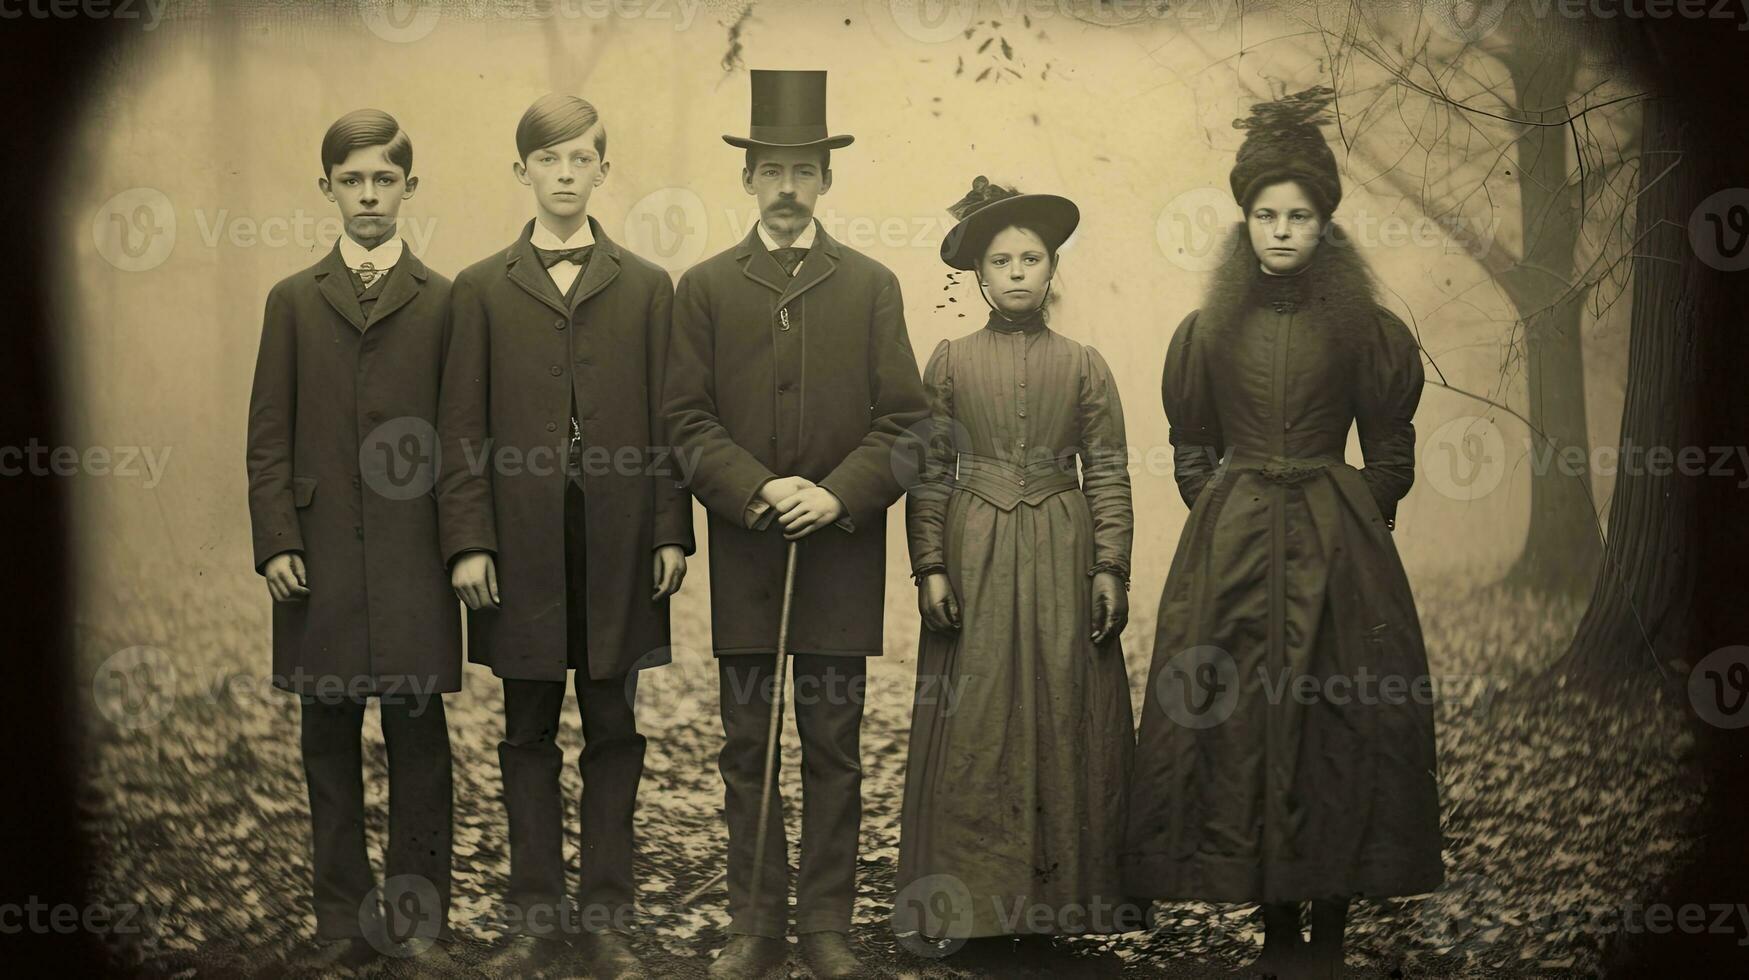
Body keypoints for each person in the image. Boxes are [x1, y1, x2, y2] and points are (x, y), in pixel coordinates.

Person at [1124, 89, 1444, 979]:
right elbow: (1192, 442)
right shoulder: (1208, 331)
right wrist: (1216, 501)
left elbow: (1389, 443)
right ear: (1243, 223)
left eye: (1297, 216)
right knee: (1245, 721)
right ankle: (1275, 932)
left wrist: (1358, 514)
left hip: (1337, 548)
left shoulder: (1364, 331)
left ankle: (1332, 930)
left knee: (1334, 719)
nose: (1279, 230)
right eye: (1264, 215)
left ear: (1323, 226)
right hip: (1232, 550)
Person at [663, 68, 929, 980]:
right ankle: (754, 927)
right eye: (770, 169)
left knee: (833, 746)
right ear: (747, 180)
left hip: (839, 557)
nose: (785, 187)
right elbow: (685, 421)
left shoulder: (870, 284)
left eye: (802, 170)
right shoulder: (702, 287)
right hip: (746, 552)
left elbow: (906, 421)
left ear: (825, 180)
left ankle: (825, 928)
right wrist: (760, 489)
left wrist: (837, 495)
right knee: (748, 747)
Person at [437, 93, 694, 979]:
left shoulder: (647, 285)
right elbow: (459, 426)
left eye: (582, 158)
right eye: (549, 160)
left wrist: (671, 530)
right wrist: (469, 540)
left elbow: (670, 421)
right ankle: (536, 919)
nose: (566, 174)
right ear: (523, 172)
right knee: (526, 728)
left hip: (619, 538)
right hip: (521, 543)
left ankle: (610, 918)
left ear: (603, 169)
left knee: (615, 725)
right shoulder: (478, 287)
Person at [896, 177, 1144, 959]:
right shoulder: (947, 361)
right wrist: (930, 564)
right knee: (977, 720)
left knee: (1062, 712)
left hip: (1061, 552)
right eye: (999, 260)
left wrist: (1110, 567)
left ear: (1050, 268)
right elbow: (930, 470)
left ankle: (1057, 907)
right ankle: (973, 909)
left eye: (1030, 258)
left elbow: (1106, 469)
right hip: (974, 552)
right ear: (976, 274)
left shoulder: (1083, 365)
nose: (1015, 273)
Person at [245, 108, 457, 972]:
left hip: (413, 557)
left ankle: (414, 923)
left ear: (409, 186)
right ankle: (339, 922)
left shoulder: (447, 300)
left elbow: (466, 434)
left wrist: (462, 545)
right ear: (327, 189)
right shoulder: (292, 300)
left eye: (384, 179)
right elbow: (267, 435)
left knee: (419, 745)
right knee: (325, 744)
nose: (368, 194)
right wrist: (275, 541)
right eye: (352, 180)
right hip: (321, 558)